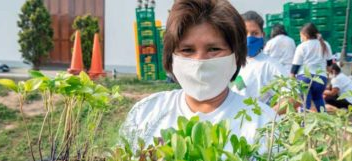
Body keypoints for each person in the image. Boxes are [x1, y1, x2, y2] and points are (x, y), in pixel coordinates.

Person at [120, 0, 275, 152]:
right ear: (171, 56)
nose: (200, 61)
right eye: (187, 50)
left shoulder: (265, 123)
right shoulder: (145, 114)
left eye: (214, 49)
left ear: (236, 55)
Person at [232, 11, 287, 104]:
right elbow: (241, 88)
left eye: (254, 33)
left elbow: (293, 98)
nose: (249, 38)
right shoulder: (238, 62)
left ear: (263, 35)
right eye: (245, 33)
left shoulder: (270, 65)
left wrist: (266, 115)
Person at [291, 23, 333, 112]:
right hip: (320, 78)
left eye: (301, 36)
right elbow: (329, 63)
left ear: (305, 35)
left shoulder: (302, 46)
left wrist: (291, 79)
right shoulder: (325, 44)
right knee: (319, 99)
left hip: (304, 78)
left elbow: (295, 66)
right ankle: (324, 121)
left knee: (305, 104)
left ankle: (303, 124)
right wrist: (327, 76)